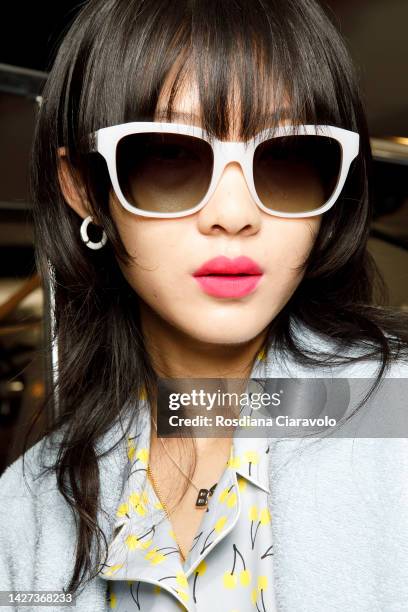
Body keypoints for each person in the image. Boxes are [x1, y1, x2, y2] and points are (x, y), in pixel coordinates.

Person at [1, 0, 408, 610]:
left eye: (288, 157)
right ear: (85, 188)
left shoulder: (395, 418)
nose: (235, 214)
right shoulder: (27, 506)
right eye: (171, 154)